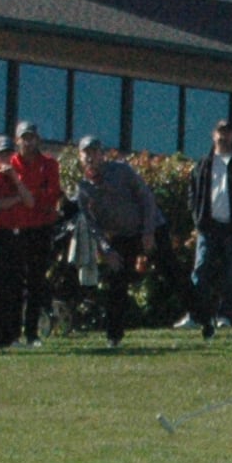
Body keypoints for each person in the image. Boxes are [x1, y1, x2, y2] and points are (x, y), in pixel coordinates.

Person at [73, 136, 162, 349]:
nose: (90, 157)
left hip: (148, 229)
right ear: (80, 156)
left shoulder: (122, 171)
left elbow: (146, 198)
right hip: (120, 238)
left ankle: (201, 318)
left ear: (102, 155)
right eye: (86, 152)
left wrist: (148, 232)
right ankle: (114, 336)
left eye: (94, 152)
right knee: (116, 281)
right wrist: (106, 250)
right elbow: (92, 225)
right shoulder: (83, 187)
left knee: (169, 271)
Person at [179, 119, 232, 339]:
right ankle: (196, 315)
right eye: (220, 132)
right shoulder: (204, 164)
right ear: (213, 134)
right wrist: (198, 218)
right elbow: (192, 193)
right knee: (200, 269)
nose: (223, 136)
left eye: (227, 132)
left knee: (231, 273)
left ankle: (225, 315)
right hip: (208, 227)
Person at [0, 136, 40, 352]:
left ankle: (12, 336)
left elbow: (30, 201)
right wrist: (16, 199)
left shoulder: (14, 177)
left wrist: (16, 179)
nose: (5, 158)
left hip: (16, 237)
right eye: (1, 154)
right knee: (0, 290)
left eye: (8, 154)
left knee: (16, 288)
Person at [11, 122, 64, 346]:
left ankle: (31, 333)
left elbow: (52, 195)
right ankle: (12, 332)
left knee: (36, 281)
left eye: (31, 137)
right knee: (14, 282)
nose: (28, 141)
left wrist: (27, 196)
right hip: (17, 229)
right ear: (17, 140)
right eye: (24, 137)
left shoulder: (49, 164)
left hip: (42, 228)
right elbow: (10, 196)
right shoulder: (10, 164)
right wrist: (33, 197)